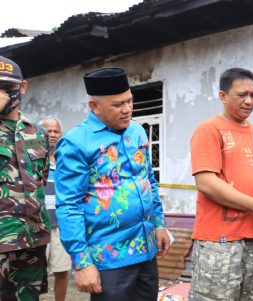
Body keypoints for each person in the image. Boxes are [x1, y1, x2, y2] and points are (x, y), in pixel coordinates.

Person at [54, 67, 170, 301]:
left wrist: (159, 224)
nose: (127, 109)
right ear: (94, 107)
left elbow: (148, 180)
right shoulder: (75, 143)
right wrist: (82, 262)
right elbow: (69, 206)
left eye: (129, 101)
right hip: (108, 258)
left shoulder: (137, 131)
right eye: (118, 105)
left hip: (146, 251)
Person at [189, 67, 253, 301]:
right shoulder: (209, 129)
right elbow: (206, 182)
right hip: (220, 242)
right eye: (242, 95)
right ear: (223, 96)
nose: (249, 101)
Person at [0, 55, 51, 300]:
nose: (1, 95)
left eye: (7, 88)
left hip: (32, 242)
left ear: (22, 87)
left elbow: (41, 178)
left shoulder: (38, 133)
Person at [40, 118, 71, 301]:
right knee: (33, 273)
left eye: (56, 132)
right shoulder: (31, 156)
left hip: (61, 225)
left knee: (62, 271)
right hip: (38, 225)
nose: (52, 135)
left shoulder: (65, 159)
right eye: (48, 131)